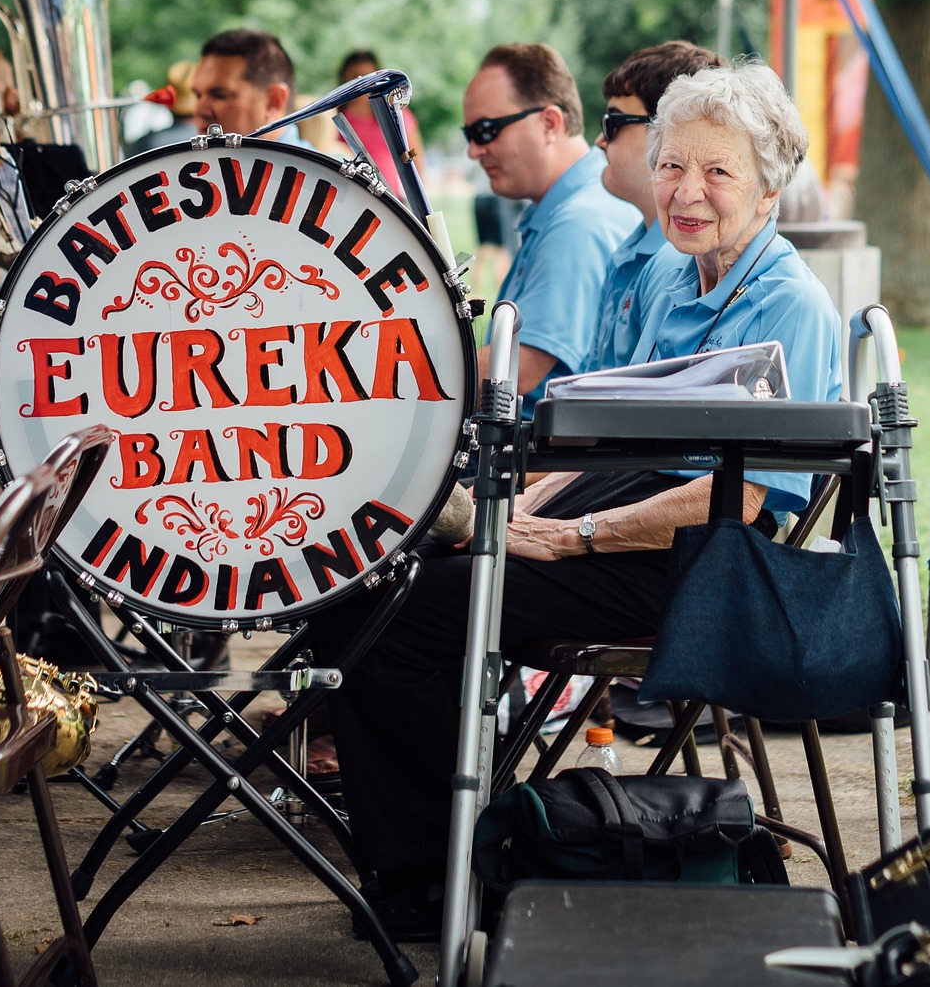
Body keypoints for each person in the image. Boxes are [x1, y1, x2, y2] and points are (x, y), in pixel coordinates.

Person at [318, 60, 842, 941]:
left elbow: (745, 498)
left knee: (411, 615)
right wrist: (522, 515)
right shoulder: (675, 278)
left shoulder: (790, 302)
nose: (687, 191)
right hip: (625, 517)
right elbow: (599, 436)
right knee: (372, 575)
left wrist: (573, 537)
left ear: (769, 183)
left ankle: (437, 880)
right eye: (673, 164)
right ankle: (434, 857)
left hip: (703, 562)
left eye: (718, 172)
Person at [467, 43, 641, 400]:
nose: (474, 150)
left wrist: (395, 374)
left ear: (549, 123)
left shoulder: (578, 223)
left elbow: (515, 372)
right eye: (469, 135)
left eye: (486, 130)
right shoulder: (571, 207)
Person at [586, 40, 721, 370]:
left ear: (667, 129)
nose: (600, 139)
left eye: (613, 122)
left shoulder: (676, 263)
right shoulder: (637, 248)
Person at [191, 28, 308, 145]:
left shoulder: (313, 164)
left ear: (274, 101)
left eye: (220, 96)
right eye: (198, 95)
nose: (200, 112)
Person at [336, 48, 422, 181]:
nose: (362, 85)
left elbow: (417, 161)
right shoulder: (334, 116)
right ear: (345, 78)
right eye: (356, 77)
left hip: (390, 197)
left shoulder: (395, 112)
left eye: (367, 78)